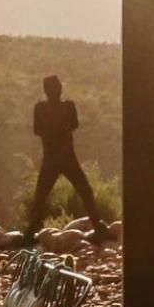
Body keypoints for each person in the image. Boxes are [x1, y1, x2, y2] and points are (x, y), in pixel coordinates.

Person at [25, 75, 110, 242]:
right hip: (65, 157)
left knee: (42, 196)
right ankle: (97, 225)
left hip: (53, 157)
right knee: (83, 191)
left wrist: (51, 130)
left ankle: (29, 232)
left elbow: (37, 130)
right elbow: (73, 125)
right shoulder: (67, 107)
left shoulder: (41, 108)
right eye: (56, 86)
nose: (58, 89)